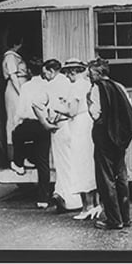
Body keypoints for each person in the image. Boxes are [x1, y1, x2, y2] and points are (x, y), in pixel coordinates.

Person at [87, 58, 132, 230]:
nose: (89, 76)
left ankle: (113, 220)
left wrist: (89, 104)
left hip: (104, 136)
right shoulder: (119, 86)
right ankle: (125, 218)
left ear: (99, 74)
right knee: (121, 177)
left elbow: (95, 114)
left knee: (105, 178)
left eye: (91, 73)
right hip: (120, 138)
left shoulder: (96, 88)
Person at [59, 58, 100, 220]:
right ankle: (96, 204)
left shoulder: (76, 86)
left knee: (80, 164)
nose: (68, 75)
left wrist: (56, 108)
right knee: (89, 163)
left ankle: (87, 207)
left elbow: (72, 112)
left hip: (79, 126)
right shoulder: (88, 84)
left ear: (74, 71)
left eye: (70, 72)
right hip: (88, 123)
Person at [10, 58, 54, 209]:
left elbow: (21, 109)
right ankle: (43, 199)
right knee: (43, 163)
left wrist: (17, 121)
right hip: (44, 124)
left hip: (30, 123)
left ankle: (19, 162)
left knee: (16, 135)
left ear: (29, 71)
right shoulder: (47, 85)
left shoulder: (26, 87)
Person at [40, 59, 82, 212]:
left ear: (52, 71)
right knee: (72, 161)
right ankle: (71, 197)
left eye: (46, 74)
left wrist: (46, 122)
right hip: (72, 125)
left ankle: (67, 198)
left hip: (60, 125)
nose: (45, 77)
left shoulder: (50, 86)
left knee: (62, 162)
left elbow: (36, 103)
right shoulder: (71, 84)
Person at [2, 32, 29, 162]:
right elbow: (13, 75)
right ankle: (15, 156)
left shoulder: (16, 56)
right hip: (15, 89)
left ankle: (23, 154)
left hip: (20, 86)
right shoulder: (10, 57)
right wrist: (21, 92)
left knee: (21, 118)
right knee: (15, 119)